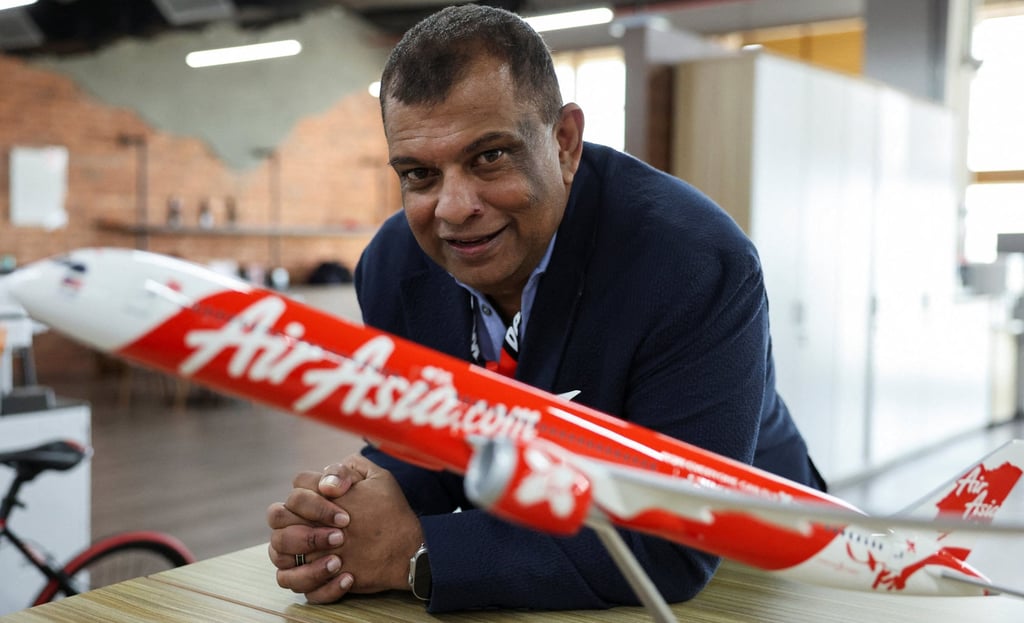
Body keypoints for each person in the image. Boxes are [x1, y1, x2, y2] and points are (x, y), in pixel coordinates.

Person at [266, 3, 825, 614]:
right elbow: (430, 446)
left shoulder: (692, 262)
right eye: (420, 174)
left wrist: (416, 553)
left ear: (564, 143)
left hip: (762, 565)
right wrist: (343, 515)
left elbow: (674, 539)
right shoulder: (393, 269)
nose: (452, 207)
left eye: (489, 157)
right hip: (541, 558)